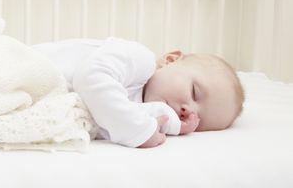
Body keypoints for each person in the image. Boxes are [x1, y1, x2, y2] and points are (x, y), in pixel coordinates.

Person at [32, 37, 245, 148]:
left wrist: (165, 122)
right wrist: (137, 131)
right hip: (21, 66)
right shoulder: (139, 59)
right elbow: (90, 78)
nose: (188, 110)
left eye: (200, 121)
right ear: (171, 60)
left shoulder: (137, 110)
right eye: (194, 92)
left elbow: (103, 119)